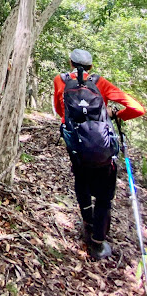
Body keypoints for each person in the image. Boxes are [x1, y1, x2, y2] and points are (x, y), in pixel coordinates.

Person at [53, 48, 145, 260]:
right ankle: (98, 242)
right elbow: (137, 108)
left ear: (70, 63)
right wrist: (113, 113)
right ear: (91, 66)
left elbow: (61, 112)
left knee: (81, 180)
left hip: (76, 144)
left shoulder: (61, 80)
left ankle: (88, 222)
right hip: (102, 146)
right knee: (104, 195)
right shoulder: (100, 83)